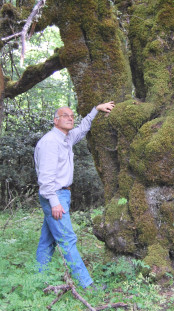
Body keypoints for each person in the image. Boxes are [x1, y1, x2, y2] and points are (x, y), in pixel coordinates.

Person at [34, 102, 115, 290]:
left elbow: (83, 128)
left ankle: (37, 279)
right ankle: (87, 286)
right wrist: (54, 202)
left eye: (71, 115)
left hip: (62, 195)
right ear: (55, 120)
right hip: (54, 196)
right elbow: (45, 179)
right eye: (65, 115)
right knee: (67, 239)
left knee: (47, 242)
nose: (70, 117)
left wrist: (95, 109)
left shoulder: (66, 138)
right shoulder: (49, 143)